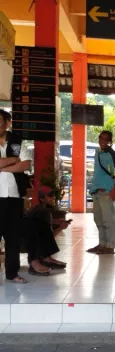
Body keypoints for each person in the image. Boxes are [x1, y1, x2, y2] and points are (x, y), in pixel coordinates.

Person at [0, 110, 32, 284]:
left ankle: (12, 273)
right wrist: (12, 160)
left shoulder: (18, 142)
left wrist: (3, 166)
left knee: (13, 236)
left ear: (7, 123)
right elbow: (18, 162)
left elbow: (26, 164)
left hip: (14, 196)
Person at [87, 131, 115, 255]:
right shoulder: (97, 153)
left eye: (106, 139)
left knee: (108, 220)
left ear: (110, 141)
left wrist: (114, 191)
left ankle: (110, 245)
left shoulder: (113, 154)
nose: (103, 141)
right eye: (101, 138)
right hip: (96, 191)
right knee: (98, 219)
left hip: (107, 191)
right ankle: (102, 243)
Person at [23, 186, 68, 276]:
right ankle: (38, 260)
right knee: (37, 227)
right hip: (24, 240)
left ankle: (46, 258)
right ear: (42, 199)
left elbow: (47, 235)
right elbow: (46, 235)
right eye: (50, 196)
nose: (53, 198)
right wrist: (59, 227)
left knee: (41, 227)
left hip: (28, 238)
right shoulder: (41, 211)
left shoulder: (42, 210)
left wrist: (59, 225)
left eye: (54, 195)